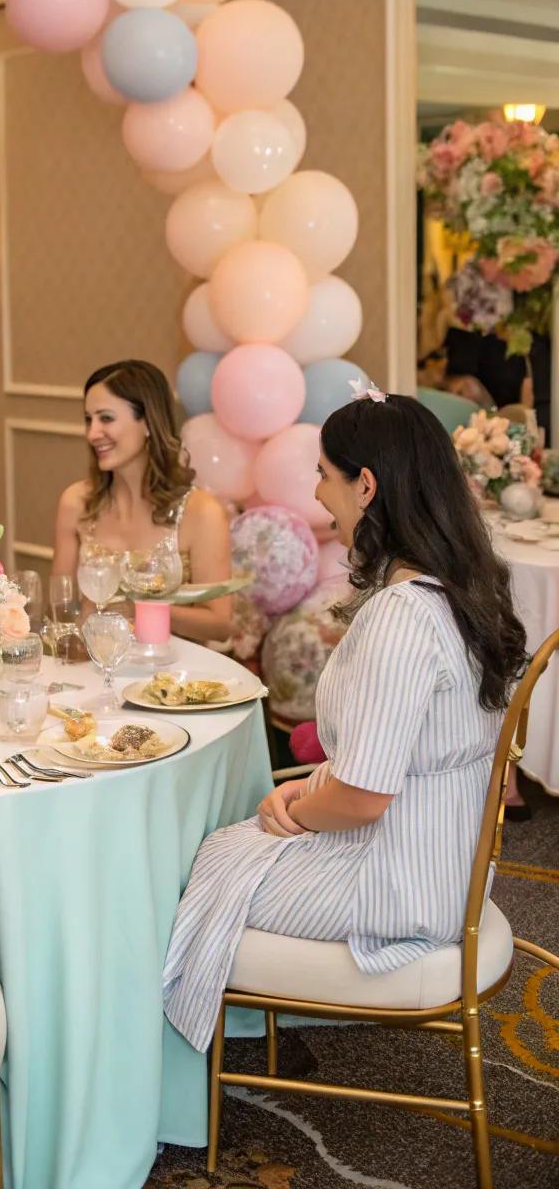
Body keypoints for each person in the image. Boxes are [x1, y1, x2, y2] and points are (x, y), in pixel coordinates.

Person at [162, 390, 526, 1053]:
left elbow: (362, 799)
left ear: (366, 485)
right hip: (444, 858)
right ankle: (236, 1029)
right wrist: (303, 793)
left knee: (190, 867)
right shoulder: (457, 588)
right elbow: (391, 765)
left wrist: (299, 811)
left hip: (401, 885)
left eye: (325, 474)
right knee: (236, 841)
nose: (317, 490)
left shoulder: (402, 616)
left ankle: (181, 1064)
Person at [52, 359, 232, 642]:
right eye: (89, 419)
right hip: (97, 666)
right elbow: (60, 610)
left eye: (106, 418)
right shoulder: (76, 503)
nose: (92, 433)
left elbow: (220, 625)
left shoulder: (201, 513)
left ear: (148, 422)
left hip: (173, 677)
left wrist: (138, 609)